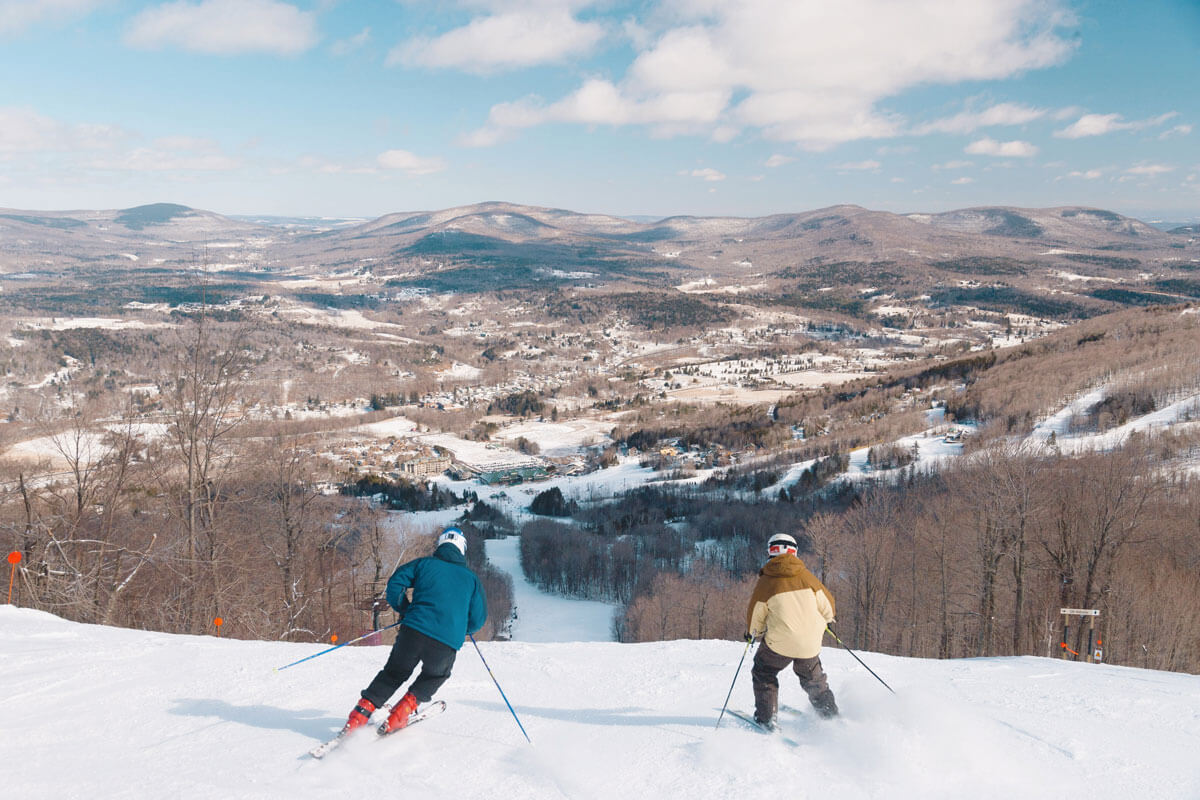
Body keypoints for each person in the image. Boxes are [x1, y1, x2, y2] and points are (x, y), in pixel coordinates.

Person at [342, 525, 488, 735]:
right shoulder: (472, 579)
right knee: (435, 675)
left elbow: (395, 583)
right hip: (445, 643)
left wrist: (405, 608)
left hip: (413, 631)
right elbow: (478, 620)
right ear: (462, 549)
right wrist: (458, 627)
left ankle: (358, 717)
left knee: (393, 673)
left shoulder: (423, 564)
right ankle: (402, 712)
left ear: (441, 545)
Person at [745, 532, 838, 728]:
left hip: (779, 645)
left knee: (764, 672)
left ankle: (766, 717)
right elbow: (827, 603)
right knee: (813, 679)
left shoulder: (767, 581)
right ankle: (830, 716)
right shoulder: (807, 577)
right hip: (809, 643)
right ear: (794, 552)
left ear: (770, 552)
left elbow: (757, 613)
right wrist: (828, 620)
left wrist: (753, 633)